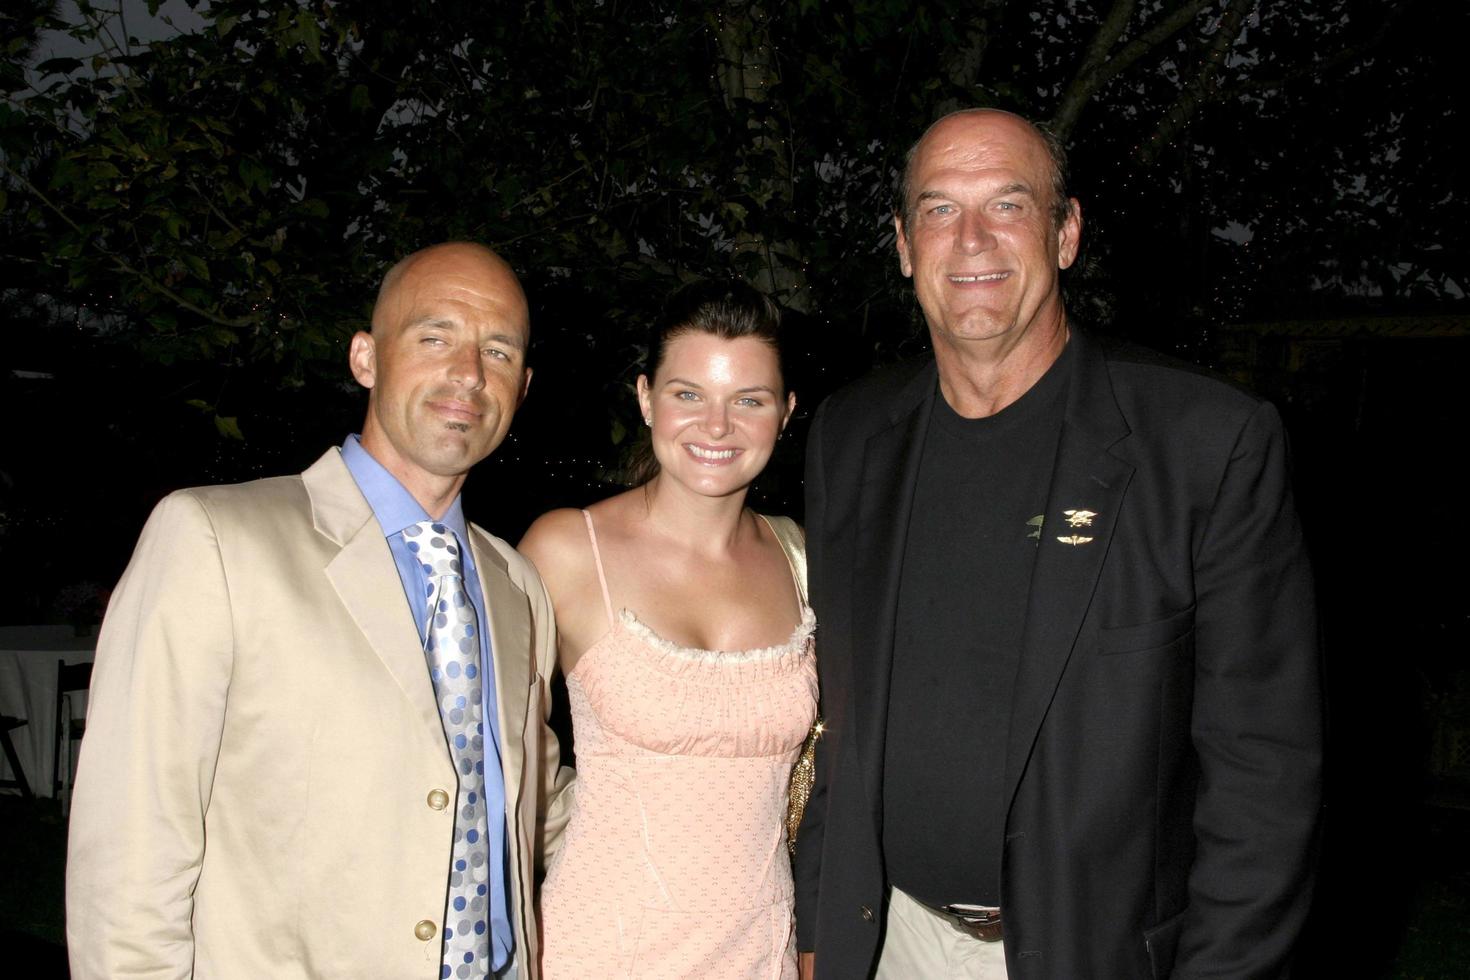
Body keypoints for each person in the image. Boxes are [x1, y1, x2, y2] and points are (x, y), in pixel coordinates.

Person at [794, 109, 1322, 979]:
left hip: (1091, 953)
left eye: (1007, 204)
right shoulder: (851, 436)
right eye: (936, 210)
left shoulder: (1204, 443)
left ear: (1065, 231)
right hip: (887, 939)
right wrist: (820, 927)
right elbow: (836, 720)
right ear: (901, 245)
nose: (970, 240)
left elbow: (1265, 777)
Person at [66, 242, 573, 980]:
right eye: (435, 337)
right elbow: (129, 848)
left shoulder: (517, 584)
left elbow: (537, 803)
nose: (468, 373)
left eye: (497, 351)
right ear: (366, 358)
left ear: (522, 387)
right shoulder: (215, 541)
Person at [519, 280, 817, 979]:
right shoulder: (566, 551)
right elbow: (501, 765)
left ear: (786, 412)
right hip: (596, 949)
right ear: (647, 397)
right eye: (689, 394)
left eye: (749, 400)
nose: (718, 427)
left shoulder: (801, 558)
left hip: (759, 953)